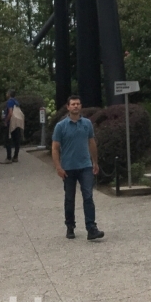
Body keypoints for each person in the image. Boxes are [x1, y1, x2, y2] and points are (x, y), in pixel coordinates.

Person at [51, 95, 104, 241]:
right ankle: (70, 226)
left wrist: (95, 161)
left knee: (88, 196)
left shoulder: (87, 123)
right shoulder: (61, 126)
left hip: (85, 166)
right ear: (68, 107)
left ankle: (91, 228)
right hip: (68, 168)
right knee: (69, 198)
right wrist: (58, 167)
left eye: (78, 104)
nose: (75, 106)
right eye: (73, 104)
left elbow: (91, 142)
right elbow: (55, 148)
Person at [4, 96, 25, 164]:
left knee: (8, 140)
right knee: (17, 140)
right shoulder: (16, 102)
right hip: (17, 123)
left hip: (11, 123)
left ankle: (9, 157)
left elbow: (10, 113)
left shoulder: (10, 101)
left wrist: (6, 121)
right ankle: (15, 156)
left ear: (9, 94)